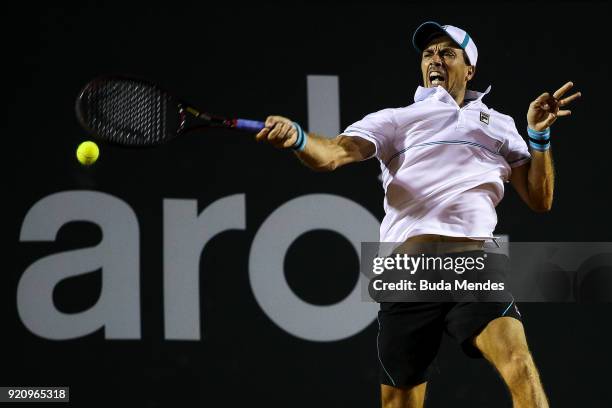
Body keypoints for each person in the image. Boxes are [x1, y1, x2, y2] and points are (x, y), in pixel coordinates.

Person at [255, 21, 580, 408]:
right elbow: (332, 154)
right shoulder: (396, 119)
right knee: (400, 403)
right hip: (409, 271)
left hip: (472, 265)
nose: (435, 60)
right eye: (428, 54)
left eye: (447, 53)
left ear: (469, 69)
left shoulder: (502, 126)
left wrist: (538, 136)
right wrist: (300, 139)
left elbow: (540, 200)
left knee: (520, 366)